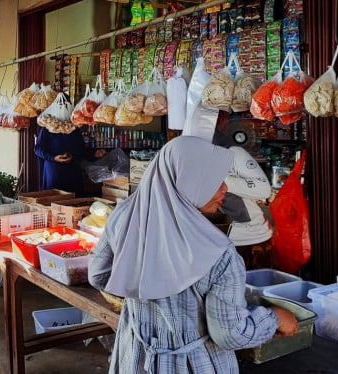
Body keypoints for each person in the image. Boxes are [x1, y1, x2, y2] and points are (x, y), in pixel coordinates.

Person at [88, 136, 298, 373]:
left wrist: (141, 292)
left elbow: (98, 275)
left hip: (135, 355)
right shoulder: (218, 252)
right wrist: (274, 318)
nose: (225, 188)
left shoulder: (124, 214)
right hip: (193, 364)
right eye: (213, 181)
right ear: (186, 182)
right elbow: (230, 334)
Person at [212, 115, 274, 269]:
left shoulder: (234, 153)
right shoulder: (192, 158)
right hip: (217, 240)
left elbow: (264, 189)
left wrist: (222, 181)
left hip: (251, 239)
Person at [34, 126, 106, 196]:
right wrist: (53, 158)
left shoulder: (74, 128)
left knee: (76, 202)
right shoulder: (48, 127)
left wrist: (94, 154)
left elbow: (81, 150)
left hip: (73, 172)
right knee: (55, 201)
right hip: (55, 172)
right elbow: (38, 149)